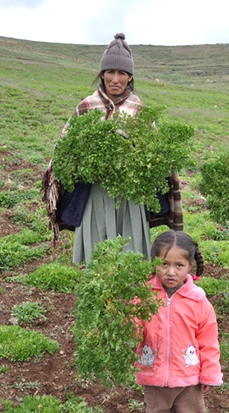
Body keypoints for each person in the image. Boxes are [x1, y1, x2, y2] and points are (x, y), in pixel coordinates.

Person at [41, 33, 183, 263]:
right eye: (110, 72)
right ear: (102, 74)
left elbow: (155, 154)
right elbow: (64, 150)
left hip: (130, 195)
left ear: (130, 77)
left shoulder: (139, 109)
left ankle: (130, 294)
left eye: (122, 74)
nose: (115, 79)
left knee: (131, 252)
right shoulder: (86, 106)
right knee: (97, 254)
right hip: (95, 192)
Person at [135, 230, 223, 413]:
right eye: (164, 264)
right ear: (154, 262)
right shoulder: (143, 296)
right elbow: (132, 329)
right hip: (154, 377)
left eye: (179, 265)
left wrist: (209, 373)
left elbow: (208, 341)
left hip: (189, 380)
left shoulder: (198, 301)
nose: (171, 271)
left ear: (190, 266)